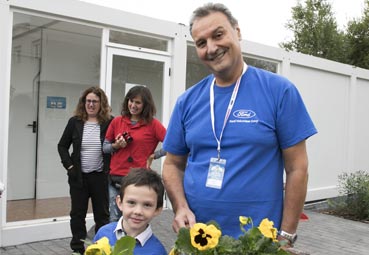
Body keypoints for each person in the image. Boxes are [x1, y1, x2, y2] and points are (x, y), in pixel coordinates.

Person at [162, 2, 317, 248]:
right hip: (199, 241)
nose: (211, 48)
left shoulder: (279, 91)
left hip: (257, 242)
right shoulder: (187, 101)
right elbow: (172, 165)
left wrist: (286, 235)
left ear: (238, 32)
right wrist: (180, 207)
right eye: (201, 43)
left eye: (218, 35)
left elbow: (298, 167)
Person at [58, 86, 113, 254]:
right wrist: (70, 166)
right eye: (88, 101)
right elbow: (62, 146)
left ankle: (102, 247)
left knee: (102, 216)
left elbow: (116, 146)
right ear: (84, 103)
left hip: (100, 177)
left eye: (95, 101)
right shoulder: (75, 122)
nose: (91, 104)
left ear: (101, 103)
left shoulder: (109, 122)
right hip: (78, 177)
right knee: (77, 215)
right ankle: (77, 248)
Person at [103, 85, 166, 222]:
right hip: (115, 179)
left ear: (145, 105)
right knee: (114, 220)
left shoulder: (153, 124)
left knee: (135, 220)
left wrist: (154, 155)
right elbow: (105, 148)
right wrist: (116, 146)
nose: (133, 105)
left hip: (138, 180)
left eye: (138, 102)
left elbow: (172, 144)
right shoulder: (117, 121)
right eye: (131, 101)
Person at [93, 168, 167, 255]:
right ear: (120, 203)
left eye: (147, 205)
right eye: (131, 202)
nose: (138, 211)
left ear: (157, 210)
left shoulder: (158, 251)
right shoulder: (103, 234)